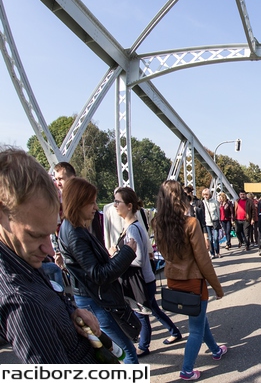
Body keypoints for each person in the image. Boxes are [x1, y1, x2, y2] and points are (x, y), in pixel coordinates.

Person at [0, 147, 98, 364]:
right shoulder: (22, 303)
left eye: (49, 233)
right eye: (35, 235)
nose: (50, 250)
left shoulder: (21, 257)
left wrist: (70, 313)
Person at [58, 177, 140, 363]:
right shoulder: (75, 234)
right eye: (91, 202)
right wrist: (127, 253)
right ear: (78, 203)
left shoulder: (74, 229)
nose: (96, 207)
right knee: (126, 350)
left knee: (121, 348)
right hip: (95, 300)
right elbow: (99, 275)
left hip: (93, 297)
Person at [152, 180, 227, 381]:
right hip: (194, 281)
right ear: (181, 198)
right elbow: (203, 261)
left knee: (199, 317)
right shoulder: (191, 224)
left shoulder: (156, 223)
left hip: (173, 280)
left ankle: (215, 350)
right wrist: (217, 288)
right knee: (195, 328)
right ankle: (186, 370)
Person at [112, 187, 182, 357]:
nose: (114, 205)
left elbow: (138, 258)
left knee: (142, 313)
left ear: (129, 206)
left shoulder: (132, 229)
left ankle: (143, 345)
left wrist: (117, 256)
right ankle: (174, 332)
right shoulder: (131, 225)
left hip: (141, 280)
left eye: (117, 201)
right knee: (152, 309)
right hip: (144, 278)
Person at [201, 188, 221, 259]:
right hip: (207, 222)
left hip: (215, 221)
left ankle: (218, 252)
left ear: (209, 194)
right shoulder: (203, 202)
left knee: (216, 238)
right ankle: (212, 253)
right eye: (204, 195)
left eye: (206, 194)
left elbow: (218, 212)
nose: (205, 196)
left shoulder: (215, 202)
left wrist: (219, 220)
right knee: (210, 239)